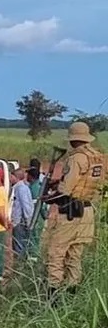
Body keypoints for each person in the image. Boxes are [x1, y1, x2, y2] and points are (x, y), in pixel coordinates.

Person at [43, 121, 106, 297]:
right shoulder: (97, 157)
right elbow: (87, 183)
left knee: (56, 252)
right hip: (87, 212)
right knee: (74, 256)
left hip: (71, 212)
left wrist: (50, 197)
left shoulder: (76, 158)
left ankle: (53, 296)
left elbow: (67, 189)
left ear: (73, 140)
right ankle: (72, 294)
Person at [9, 168, 34, 261]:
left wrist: (28, 221)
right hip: (20, 221)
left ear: (17, 177)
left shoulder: (20, 188)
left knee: (18, 245)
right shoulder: (21, 187)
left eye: (11, 176)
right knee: (20, 244)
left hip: (20, 221)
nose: (10, 178)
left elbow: (26, 205)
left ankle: (18, 267)